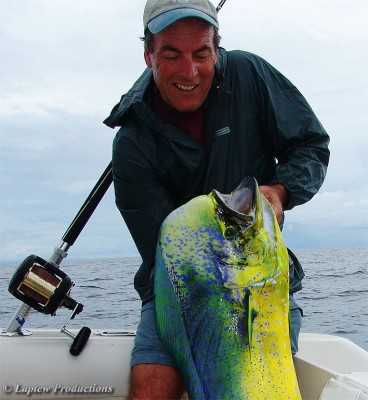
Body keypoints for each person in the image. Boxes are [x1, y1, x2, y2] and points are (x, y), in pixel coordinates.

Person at [104, 0, 330, 398]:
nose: (189, 71)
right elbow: (165, 249)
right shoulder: (131, 143)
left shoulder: (248, 74)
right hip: (176, 289)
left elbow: (310, 145)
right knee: (150, 389)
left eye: (201, 53)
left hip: (258, 284)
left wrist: (280, 190)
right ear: (148, 54)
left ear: (217, 49)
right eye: (172, 54)